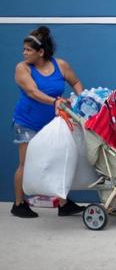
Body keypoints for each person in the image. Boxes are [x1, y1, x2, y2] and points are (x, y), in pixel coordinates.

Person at [11, 26, 86, 218]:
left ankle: (63, 204)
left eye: (28, 50)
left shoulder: (60, 65)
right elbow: (33, 92)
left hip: (54, 122)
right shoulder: (22, 68)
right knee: (25, 163)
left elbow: (76, 82)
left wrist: (82, 100)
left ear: (41, 52)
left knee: (60, 160)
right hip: (27, 122)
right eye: (24, 49)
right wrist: (56, 101)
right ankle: (19, 204)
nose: (24, 53)